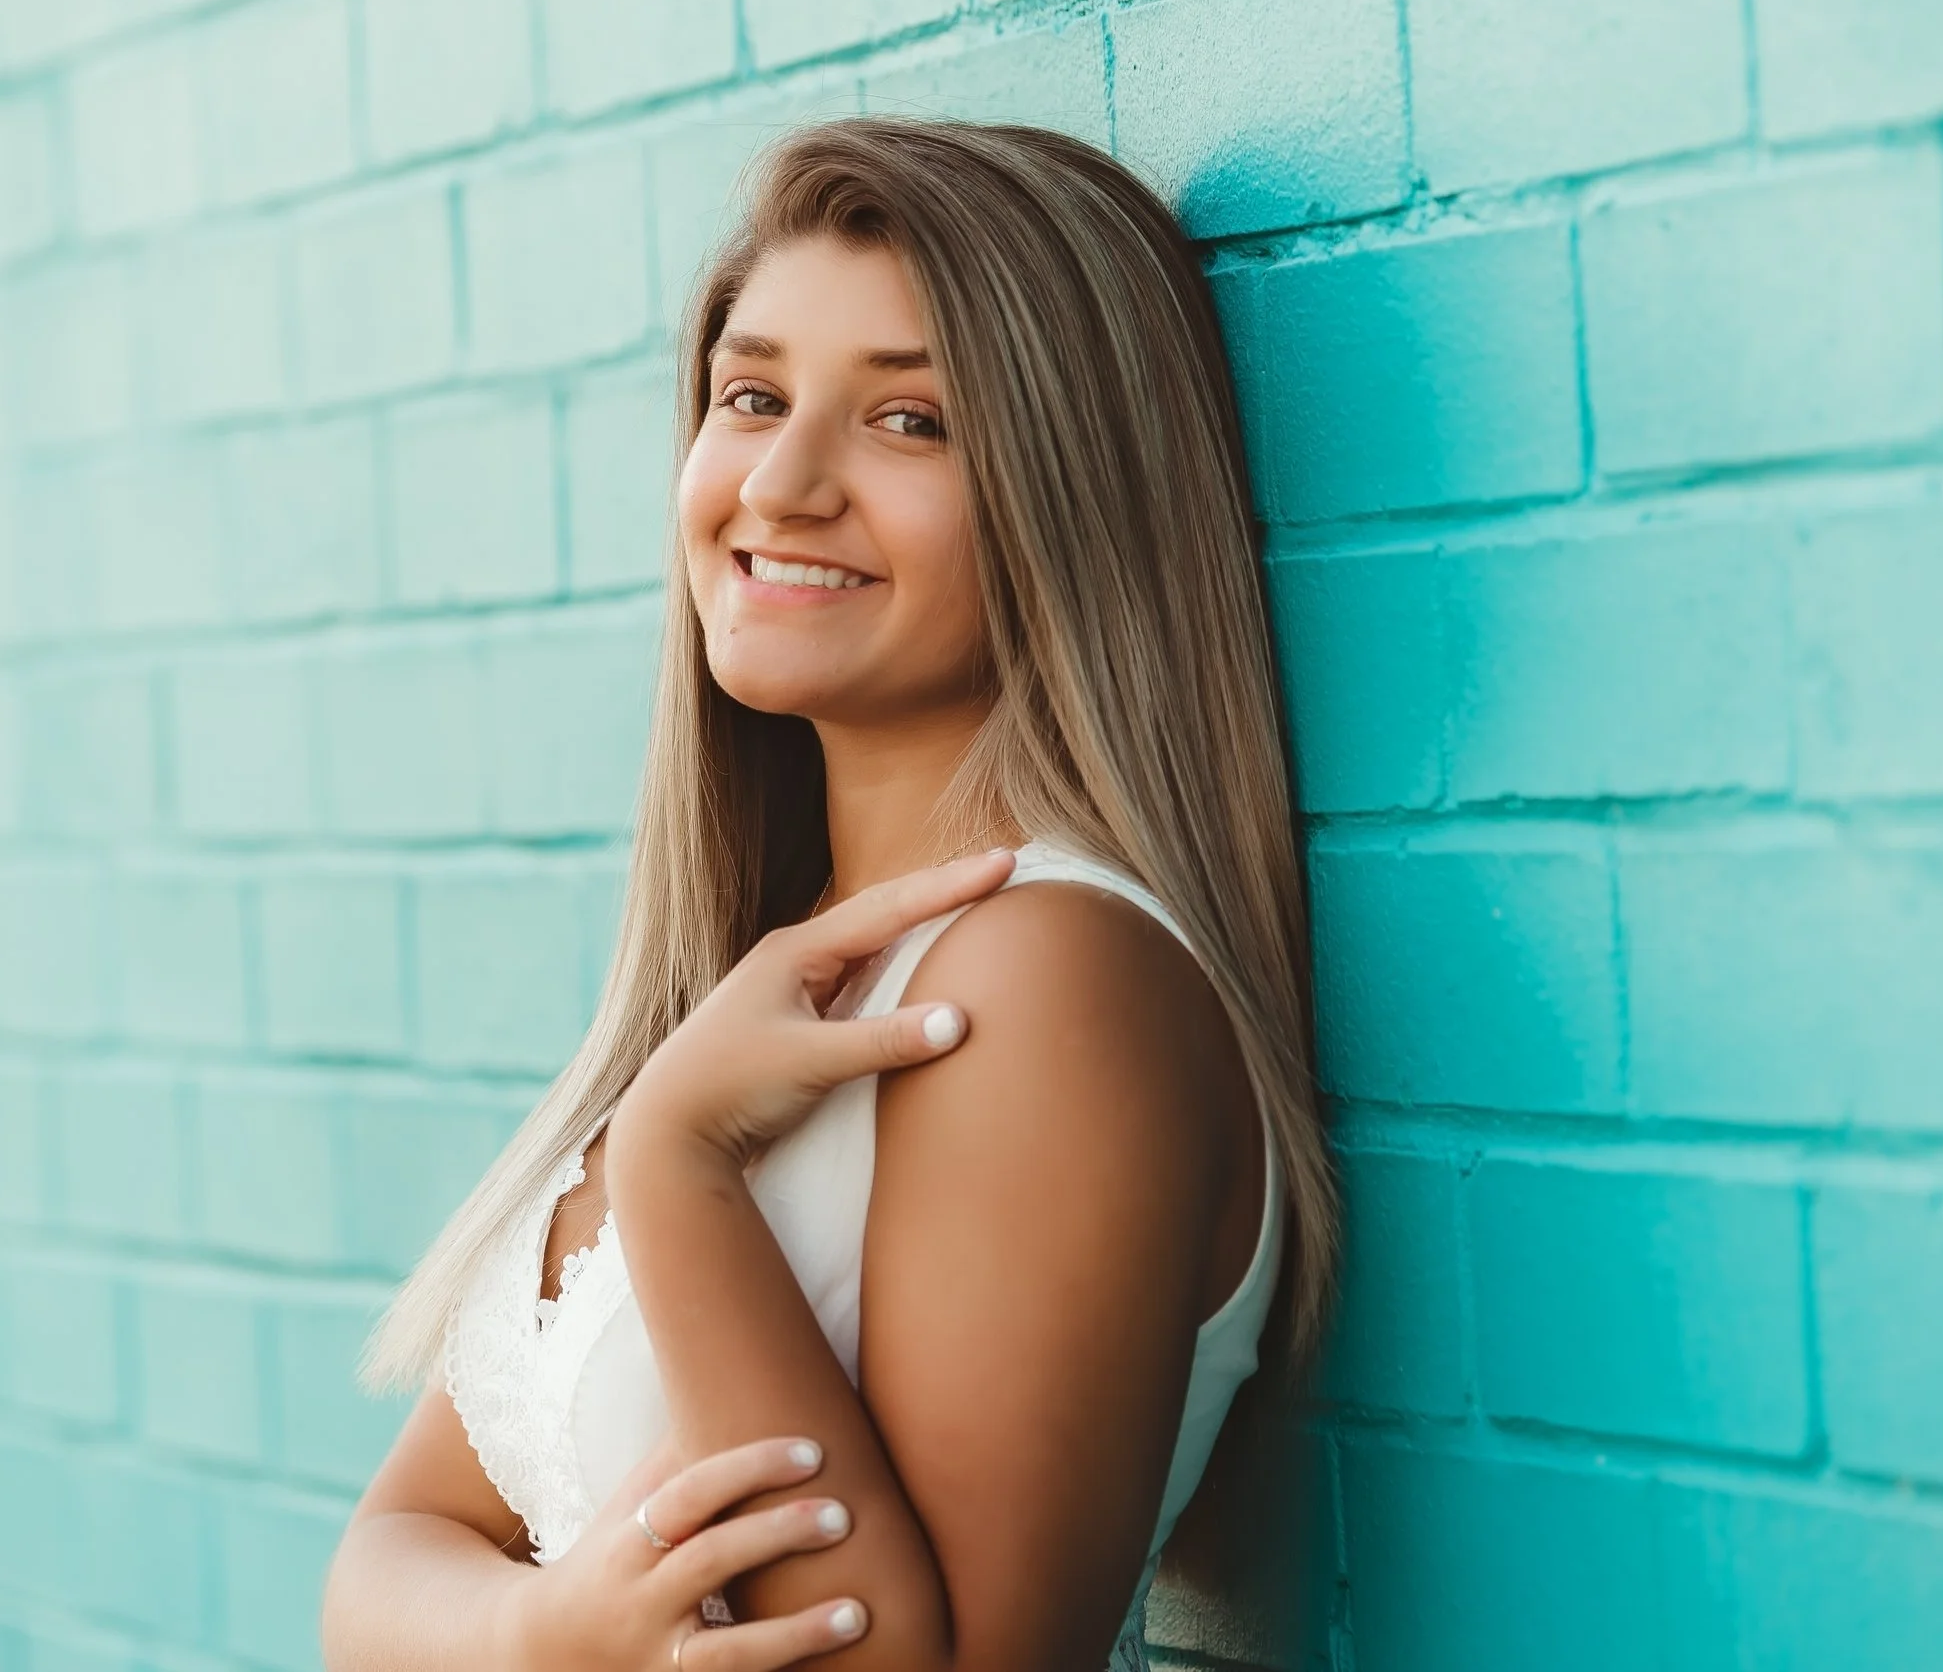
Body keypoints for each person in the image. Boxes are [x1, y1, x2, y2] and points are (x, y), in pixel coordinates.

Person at [319, 115, 1337, 1672]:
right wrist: (547, 1635)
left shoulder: (1045, 980)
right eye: (752, 395)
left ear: (1071, 497)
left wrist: (672, 1165)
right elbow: (380, 1569)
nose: (782, 482)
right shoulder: (765, 983)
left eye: (910, 420)